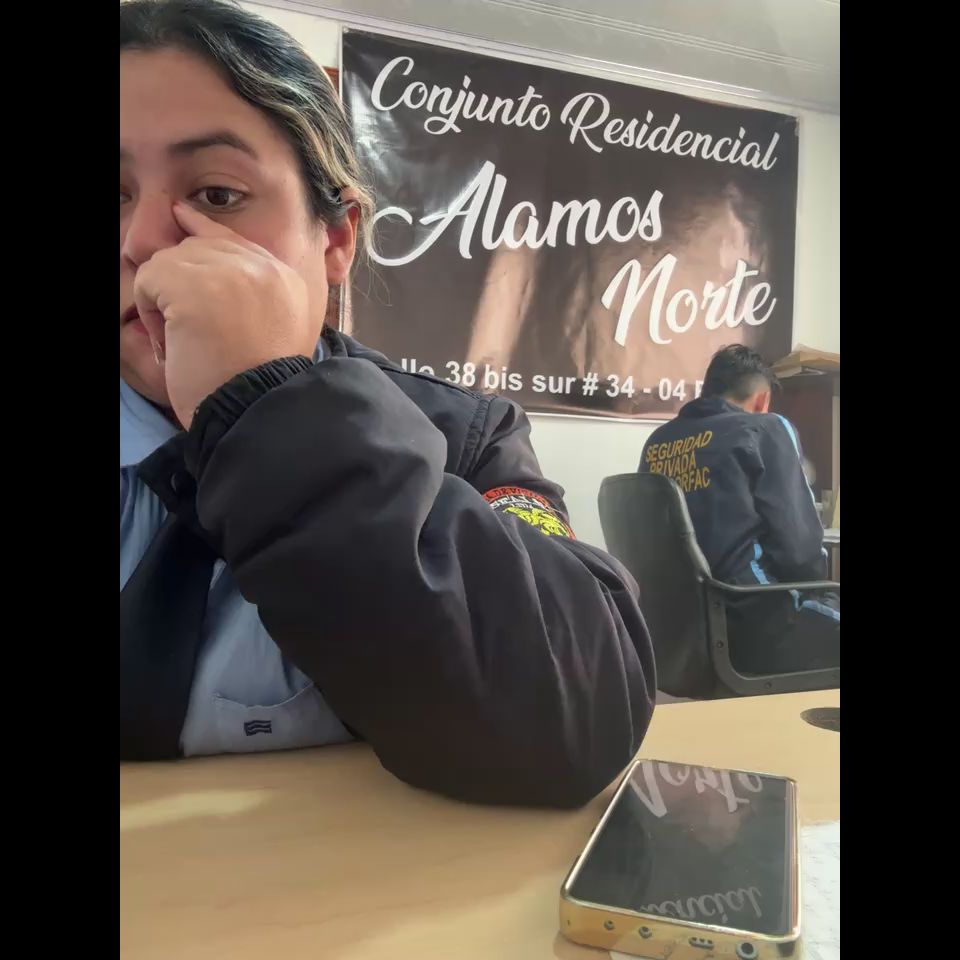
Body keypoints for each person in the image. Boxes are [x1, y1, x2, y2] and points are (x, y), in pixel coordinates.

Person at [119, 0, 655, 808]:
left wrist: (270, 406)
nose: (143, 243)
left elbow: (580, 719)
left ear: (336, 239)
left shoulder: (463, 437)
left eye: (219, 195)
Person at [639, 345, 838, 674]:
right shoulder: (765, 427)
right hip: (754, 619)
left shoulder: (658, 441)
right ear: (762, 400)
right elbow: (800, 548)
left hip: (678, 632)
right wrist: (820, 590)